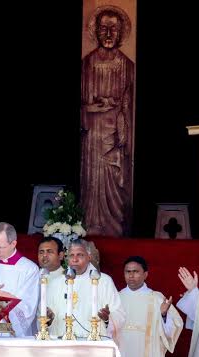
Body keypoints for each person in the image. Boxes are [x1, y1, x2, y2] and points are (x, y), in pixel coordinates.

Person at [80, 5, 135, 237]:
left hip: (114, 133)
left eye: (114, 29)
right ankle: (91, 223)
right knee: (92, 179)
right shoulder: (86, 64)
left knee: (114, 177)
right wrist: (92, 108)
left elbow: (128, 105)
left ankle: (116, 227)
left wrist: (123, 132)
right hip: (92, 135)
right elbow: (82, 103)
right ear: (97, 31)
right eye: (104, 29)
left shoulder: (128, 66)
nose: (109, 34)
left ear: (121, 32)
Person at [46, 239, 124, 340]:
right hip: (63, 342)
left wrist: (107, 319)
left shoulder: (104, 281)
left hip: (93, 343)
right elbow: (46, 317)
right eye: (71, 255)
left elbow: (119, 314)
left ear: (89, 257)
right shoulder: (56, 283)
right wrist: (49, 319)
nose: (75, 259)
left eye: (80, 255)